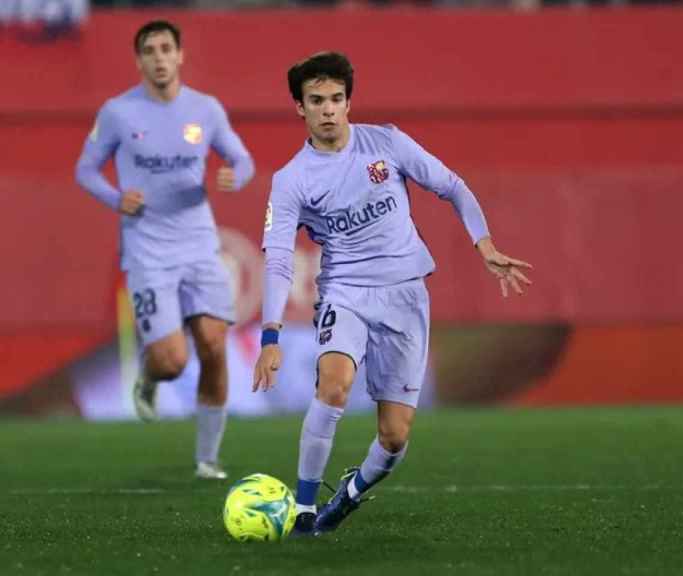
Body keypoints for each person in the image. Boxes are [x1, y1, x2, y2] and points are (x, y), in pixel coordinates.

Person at [252, 52, 532, 536]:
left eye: (336, 99)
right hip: (345, 292)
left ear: (348, 102)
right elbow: (277, 258)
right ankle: (301, 509)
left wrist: (483, 244)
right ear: (300, 107)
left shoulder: (387, 143)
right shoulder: (291, 179)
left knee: (394, 436)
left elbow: (453, 187)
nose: (328, 110)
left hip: (405, 295)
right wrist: (270, 334)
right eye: (316, 100)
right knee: (333, 385)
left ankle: (350, 493)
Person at [75, 20, 254, 480]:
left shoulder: (206, 110)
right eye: (149, 50)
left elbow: (243, 157)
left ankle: (207, 459)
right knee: (172, 361)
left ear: (180, 56)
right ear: (139, 61)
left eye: (165, 48)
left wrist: (237, 172)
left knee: (214, 344)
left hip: (199, 244)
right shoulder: (118, 112)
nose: (158, 57)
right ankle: (149, 378)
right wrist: (117, 198)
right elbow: (86, 170)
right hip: (148, 251)